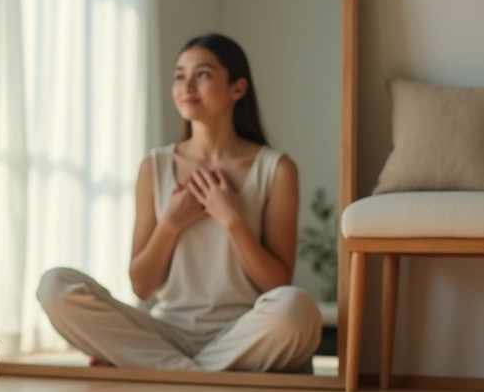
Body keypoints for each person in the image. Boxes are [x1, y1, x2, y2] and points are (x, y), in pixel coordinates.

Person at [37, 34, 321, 373]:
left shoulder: (276, 169)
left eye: (201, 74)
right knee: (55, 286)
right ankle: (205, 373)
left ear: (238, 88)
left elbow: (277, 284)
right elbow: (142, 286)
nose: (186, 86)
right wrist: (170, 224)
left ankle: (160, 370)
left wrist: (232, 220)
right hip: (167, 332)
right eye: (179, 76)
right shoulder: (154, 166)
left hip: (243, 330)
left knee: (297, 308)